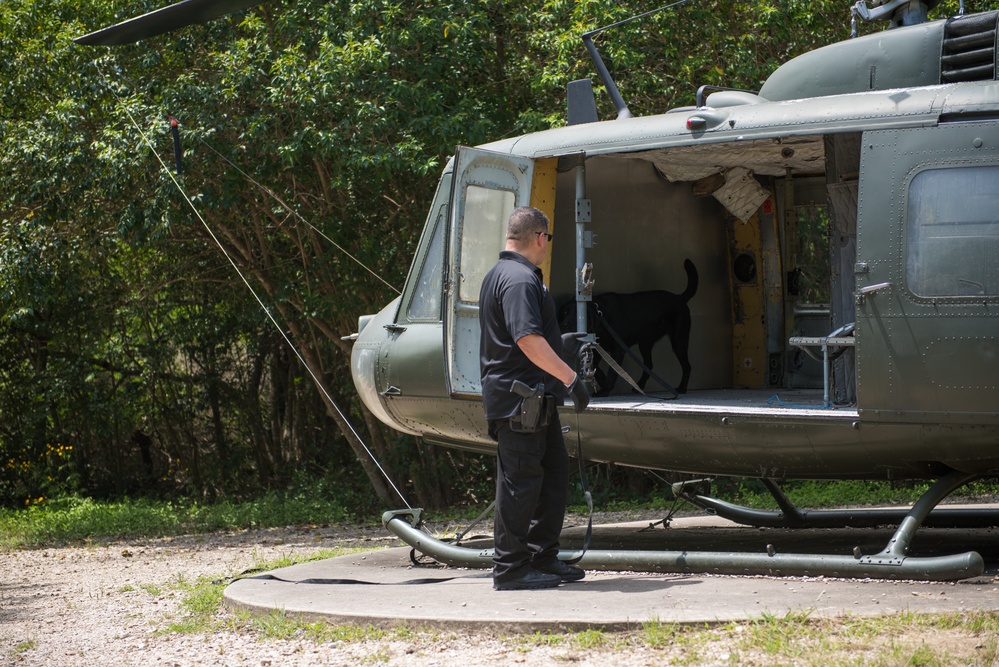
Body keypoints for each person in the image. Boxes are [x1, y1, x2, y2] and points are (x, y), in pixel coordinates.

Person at [479, 206, 590, 591]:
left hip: (534, 401)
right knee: (521, 483)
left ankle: (543, 557)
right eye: (549, 239)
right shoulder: (519, 279)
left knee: (553, 475)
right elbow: (526, 339)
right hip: (518, 402)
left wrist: (561, 347)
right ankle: (510, 568)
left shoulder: (506, 274)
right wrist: (571, 378)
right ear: (540, 238)